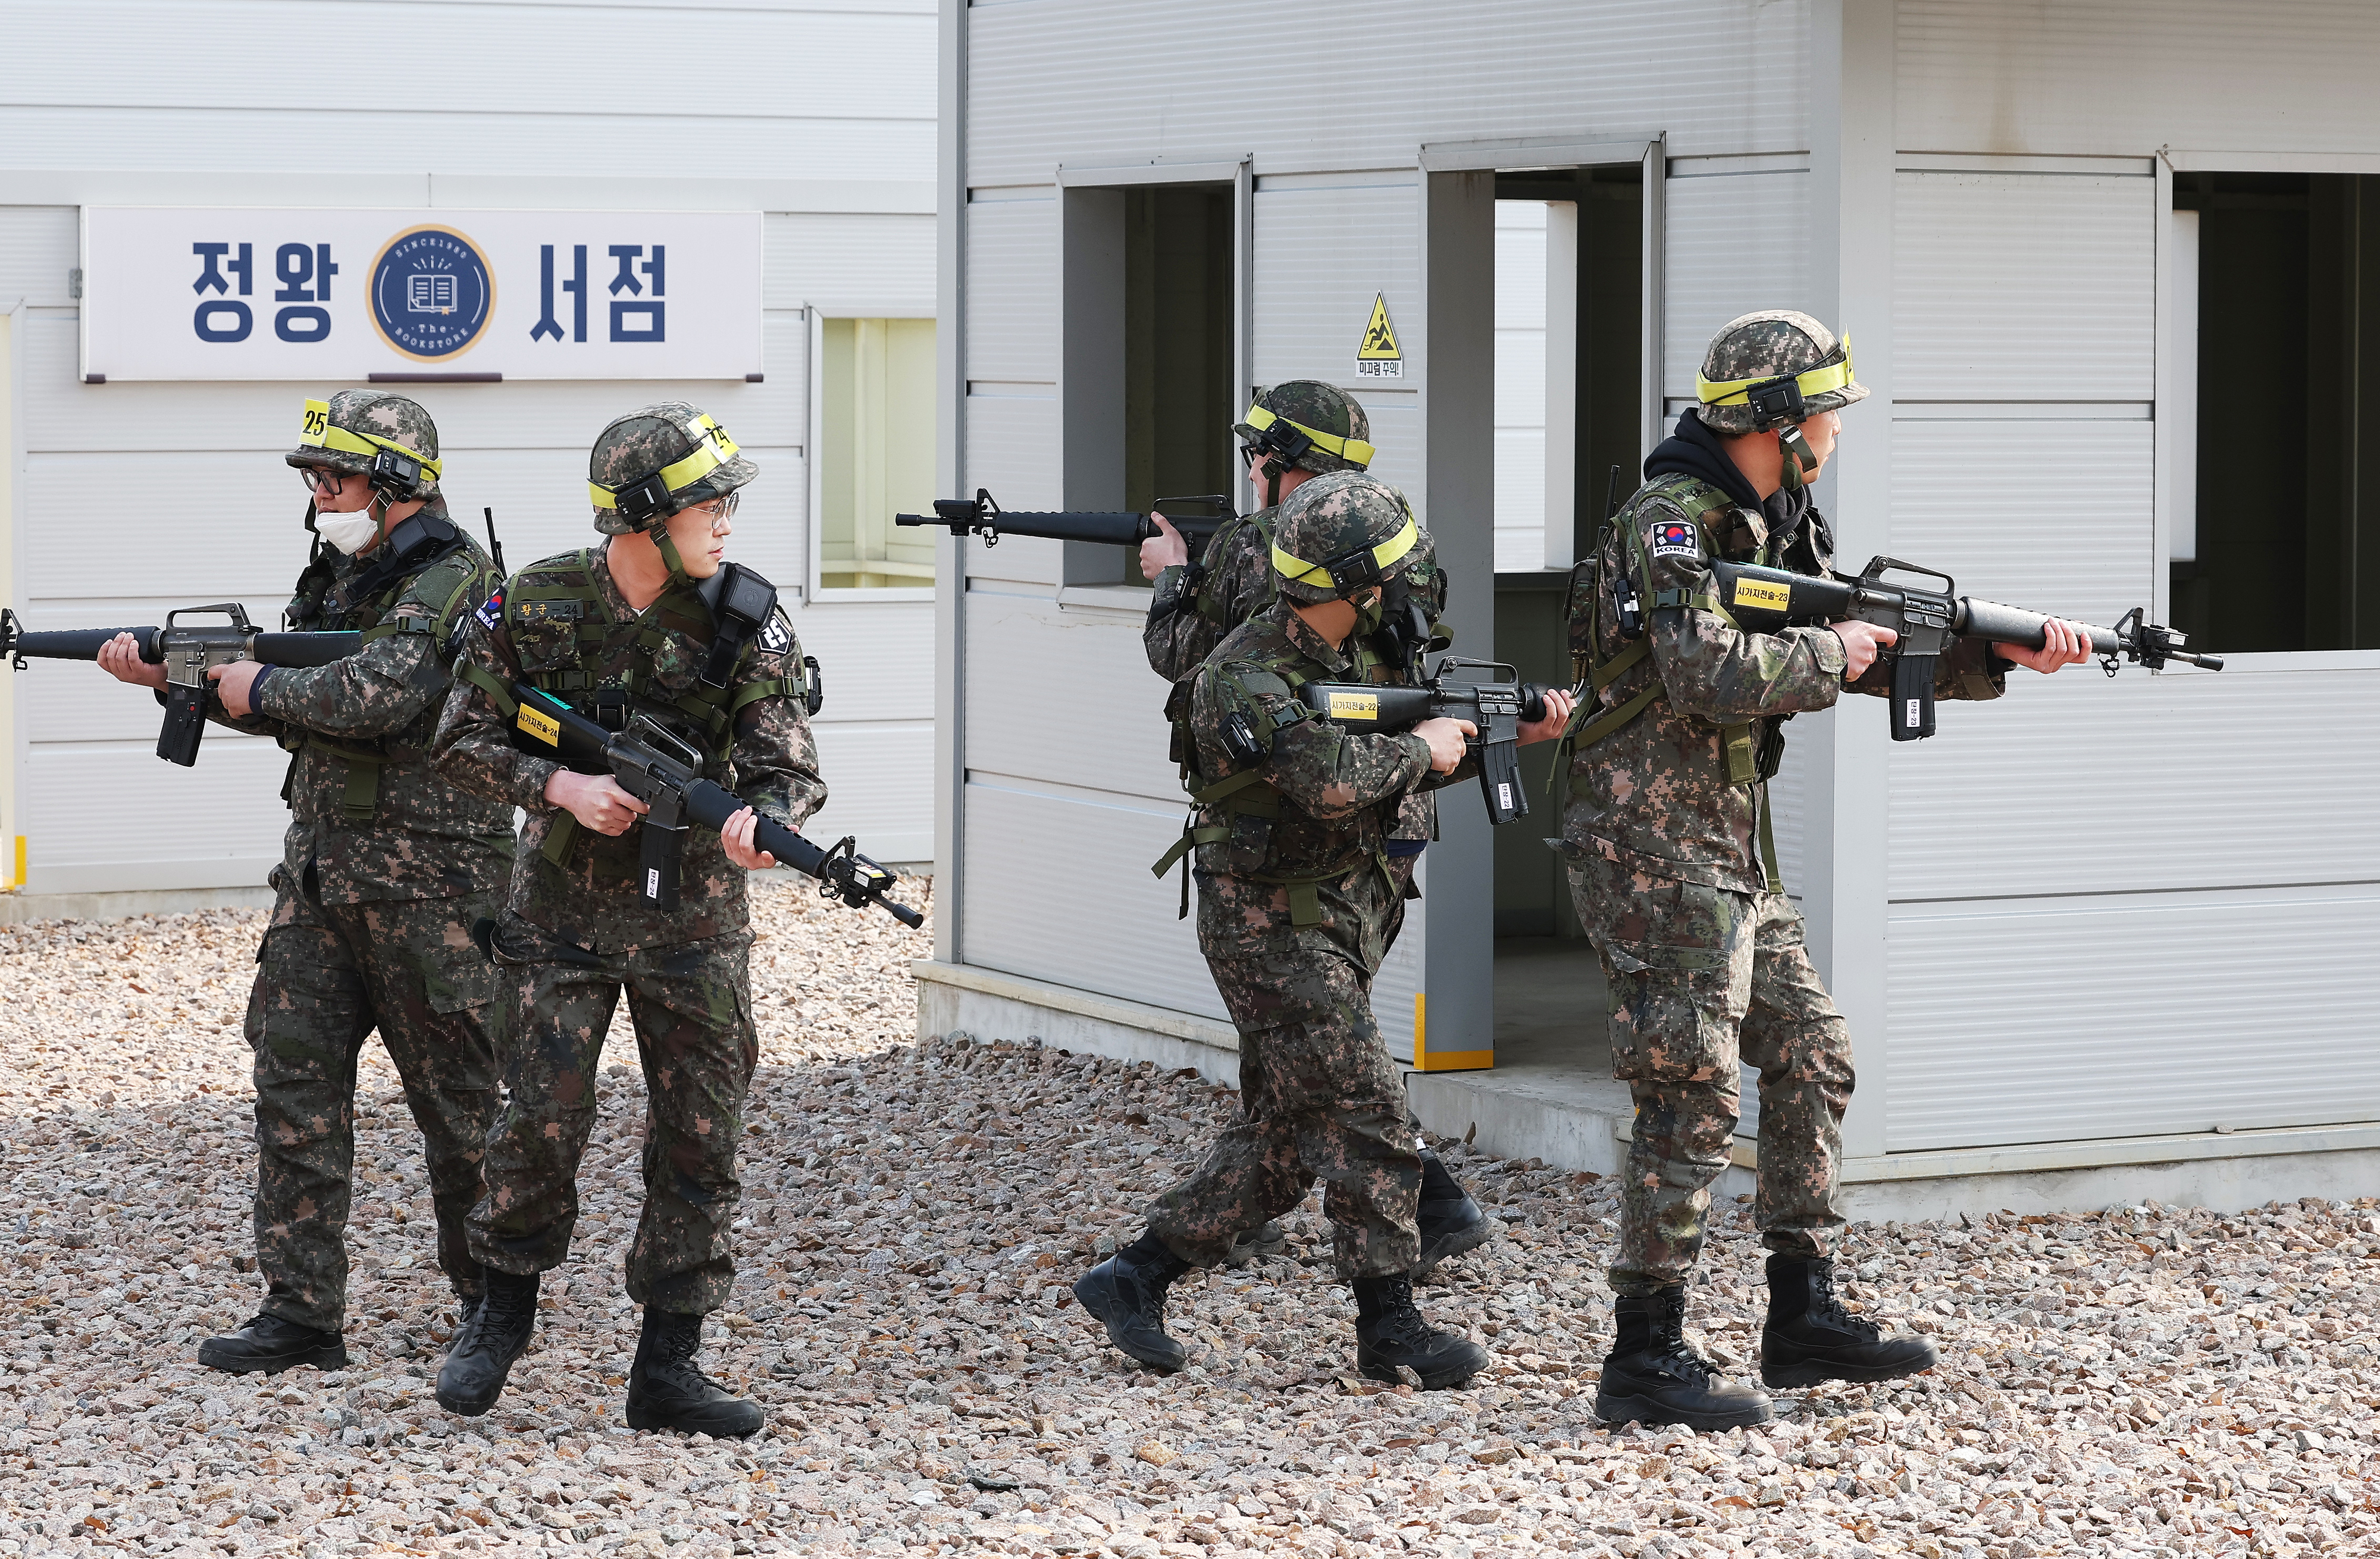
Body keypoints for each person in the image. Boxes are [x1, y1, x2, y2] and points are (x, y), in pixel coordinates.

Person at [1559, 311, 2093, 1429]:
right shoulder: (1669, 523)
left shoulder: (1776, 516)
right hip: (1649, 851)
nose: (1841, 425)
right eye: (1828, 407)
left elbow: (1858, 641)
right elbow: (1699, 662)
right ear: (1773, 418)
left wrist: (1996, 656)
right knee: (1692, 1087)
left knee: (1812, 1047)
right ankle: (1643, 1355)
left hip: (1728, 845)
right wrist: (1827, 650)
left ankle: (1801, 1315)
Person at [1080, 472, 1575, 1388]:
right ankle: (1390, 1326)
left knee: (1287, 1137)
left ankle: (1135, 1275)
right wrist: (1423, 748)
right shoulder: (1243, 672)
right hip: (1265, 927)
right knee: (1368, 1109)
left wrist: (1498, 736)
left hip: (1334, 912)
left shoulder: (1357, 658)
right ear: (1355, 584)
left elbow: (1397, 767)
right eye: (1385, 574)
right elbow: (1332, 779)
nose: (1399, 587)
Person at [95, 390, 513, 1375]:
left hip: (437, 891)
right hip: (323, 873)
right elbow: (297, 712)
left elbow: (379, 694)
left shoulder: (460, 580)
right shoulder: (337, 578)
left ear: (399, 481)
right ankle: (300, 1311)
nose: (320, 492)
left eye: (336, 475)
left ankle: (493, 1305)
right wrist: (176, 680)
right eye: (314, 476)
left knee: (458, 1107)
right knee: (294, 1084)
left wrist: (256, 684)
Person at [430, 403, 825, 1436]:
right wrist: (557, 785)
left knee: (703, 1136)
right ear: (647, 517)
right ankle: (499, 1310)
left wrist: (763, 822)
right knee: (537, 1124)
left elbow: (788, 763)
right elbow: (459, 736)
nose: (729, 519)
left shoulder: (744, 617)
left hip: (694, 923)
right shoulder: (536, 600)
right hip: (559, 914)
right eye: (710, 500)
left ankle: (669, 1364)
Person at [1139, 382, 1492, 1277]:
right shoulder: (1393, 532)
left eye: (1261, 456)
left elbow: (1183, 657)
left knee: (1327, 1060)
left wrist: (1176, 576)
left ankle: (1411, 1205)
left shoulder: (1271, 546)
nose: (1255, 473)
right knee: (1327, 1048)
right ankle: (1337, 1214)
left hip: (1313, 831)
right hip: (1389, 824)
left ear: (1279, 461)